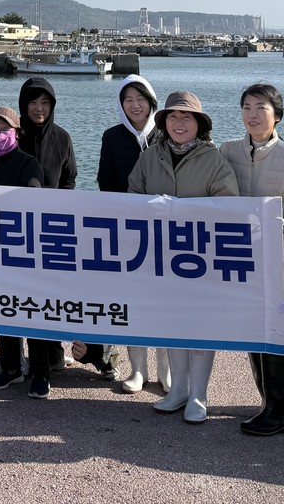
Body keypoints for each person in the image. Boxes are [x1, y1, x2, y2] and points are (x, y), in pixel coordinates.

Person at [128, 91, 238, 423]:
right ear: (163, 122)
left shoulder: (214, 160)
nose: (179, 123)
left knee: (201, 326)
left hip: (202, 258)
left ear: (199, 124)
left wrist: (181, 211)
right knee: (171, 321)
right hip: (160, 256)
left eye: (187, 117)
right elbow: (132, 197)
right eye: (173, 116)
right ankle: (178, 389)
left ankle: (199, 394)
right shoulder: (150, 157)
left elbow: (227, 207)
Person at [218, 83, 284, 436]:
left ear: (277, 115)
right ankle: (266, 401)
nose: (252, 115)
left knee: (274, 329)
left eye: (261, 108)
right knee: (252, 327)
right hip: (240, 254)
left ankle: (280, 408)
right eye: (246, 107)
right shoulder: (227, 150)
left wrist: (279, 250)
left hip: (280, 257)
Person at [0, 106, 55, 398]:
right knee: (2, 308)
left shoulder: (28, 163)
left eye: (4, 129)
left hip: (26, 250)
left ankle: (41, 372)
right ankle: (10, 368)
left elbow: (33, 205)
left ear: (16, 133)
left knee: (32, 310)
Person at [96, 75, 169, 394]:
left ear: (152, 102)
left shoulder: (166, 134)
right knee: (132, 301)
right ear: (120, 104)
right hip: (126, 231)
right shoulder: (112, 137)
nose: (135, 105)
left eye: (140, 98)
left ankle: (166, 370)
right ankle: (138, 369)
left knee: (164, 302)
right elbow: (105, 182)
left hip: (165, 231)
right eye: (128, 99)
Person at [16, 76, 89, 379]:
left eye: (45, 102)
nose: (39, 108)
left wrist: (61, 210)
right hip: (18, 228)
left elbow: (70, 178)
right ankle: (19, 358)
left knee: (50, 294)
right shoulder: (14, 136)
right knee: (20, 294)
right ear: (23, 105)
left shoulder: (62, 138)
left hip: (53, 229)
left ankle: (54, 353)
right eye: (33, 102)